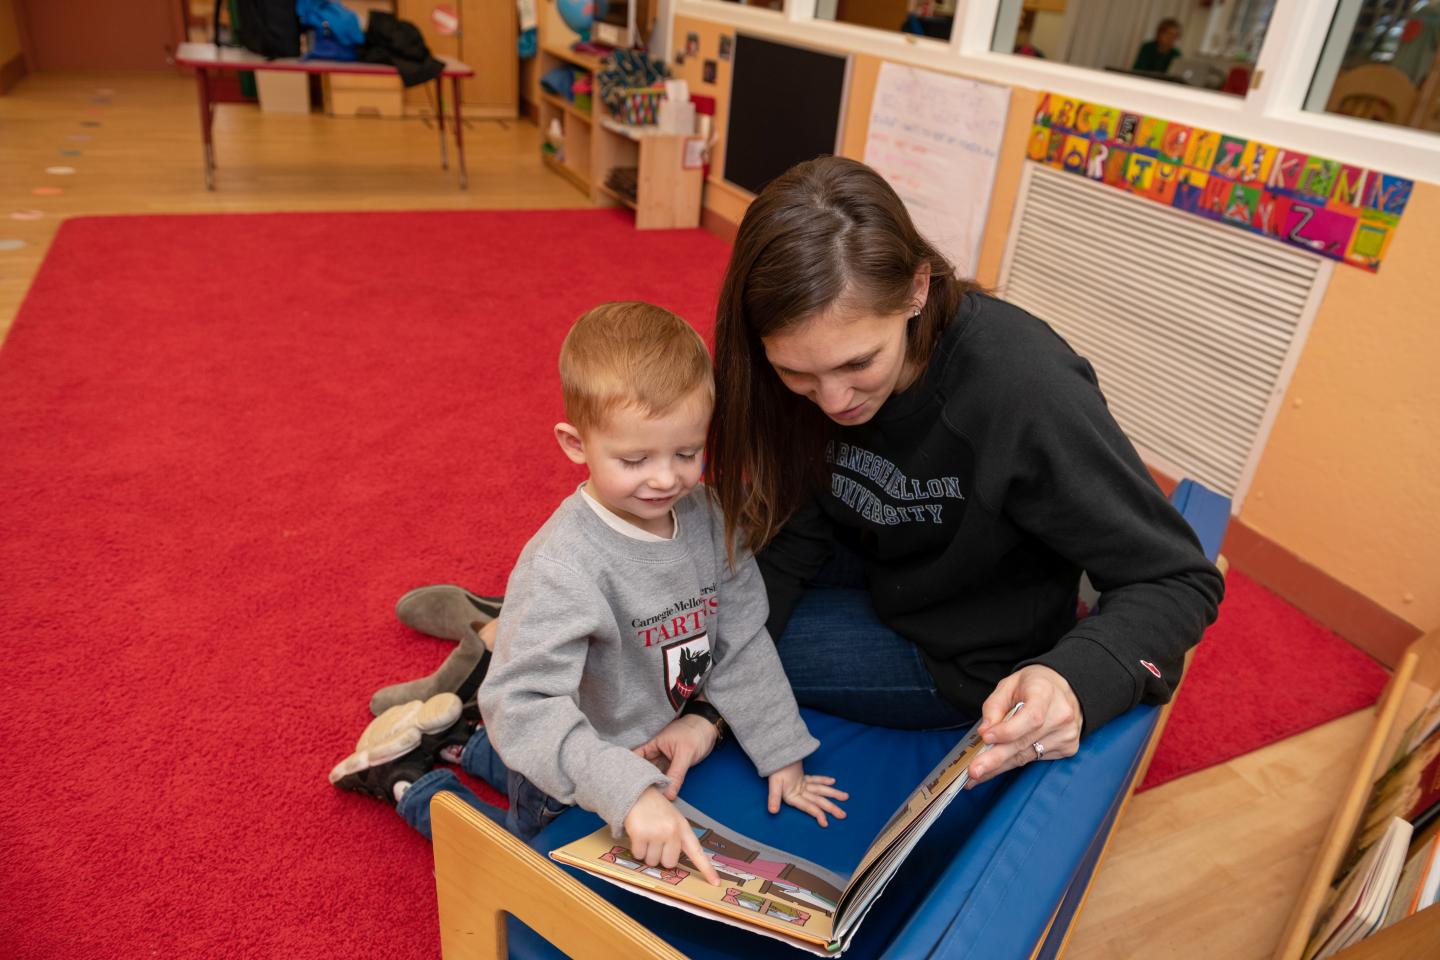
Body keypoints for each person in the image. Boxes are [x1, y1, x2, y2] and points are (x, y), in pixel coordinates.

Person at [382, 154, 1223, 794]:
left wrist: (1075, 678)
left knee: (651, 653)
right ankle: (538, 622)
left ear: (917, 290)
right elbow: (788, 534)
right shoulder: (795, 367)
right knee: (673, 624)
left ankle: (506, 657)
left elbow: (1176, 579)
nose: (831, 400)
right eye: (798, 376)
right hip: (871, 562)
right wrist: (705, 683)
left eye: (859, 364)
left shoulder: (1023, 389)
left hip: (957, 641)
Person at [329, 302, 846, 879]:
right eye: (634, 458)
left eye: (688, 452)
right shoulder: (561, 566)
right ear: (575, 444)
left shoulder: (708, 516)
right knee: (531, 873)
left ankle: (461, 741)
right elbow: (521, 707)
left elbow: (743, 639)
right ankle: (411, 783)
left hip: (633, 753)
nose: (665, 478)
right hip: (575, 764)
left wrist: (779, 748)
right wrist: (630, 792)